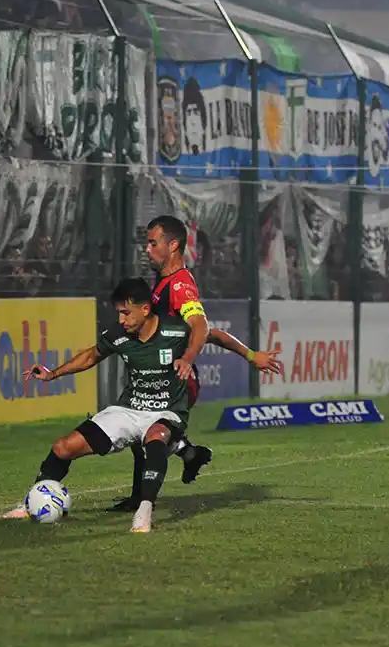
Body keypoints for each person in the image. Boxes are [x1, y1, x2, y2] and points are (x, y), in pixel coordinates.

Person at [112, 215, 281, 512]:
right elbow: (210, 333)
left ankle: (146, 499)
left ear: (173, 245)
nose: (147, 249)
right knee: (143, 434)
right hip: (161, 375)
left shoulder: (179, 286)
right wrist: (251, 355)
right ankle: (188, 455)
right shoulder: (163, 282)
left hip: (176, 378)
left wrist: (187, 359)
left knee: (146, 434)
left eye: (153, 243)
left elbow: (201, 327)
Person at [2, 278, 198, 532]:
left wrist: (251, 355)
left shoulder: (177, 331)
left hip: (166, 410)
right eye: (119, 313)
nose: (121, 320)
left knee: (156, 438)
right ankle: (31, 502)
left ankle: (144, 511)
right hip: (129, 409)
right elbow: (91, 355)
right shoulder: (119, 335)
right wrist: (53, 374)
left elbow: (214, 335)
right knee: (63, 447)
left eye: (125, 313)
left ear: (145, 309)